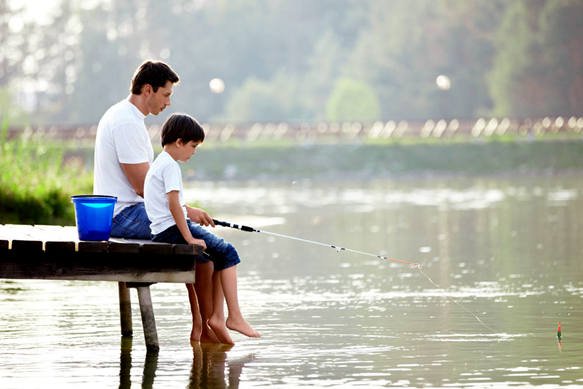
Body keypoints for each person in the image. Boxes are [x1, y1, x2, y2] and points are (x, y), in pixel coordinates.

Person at [93, 60, 217, 343]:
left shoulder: (125, 116)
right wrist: (185, 212)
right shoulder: (126, 121)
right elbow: (142, 187)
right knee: (200, 242)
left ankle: (202, 323)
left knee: (194, 237)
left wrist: (184, 213)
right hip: (122, 215)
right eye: (166, 94)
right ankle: (204, 326)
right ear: (148, 89)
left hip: (126, 210)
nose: (169, 102)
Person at [144, 113, 260, 344]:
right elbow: (174, 204)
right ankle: (233, 316)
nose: (194, 152)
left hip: (163, 229)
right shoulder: (170, 166)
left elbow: (173, 206)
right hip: (172, 230)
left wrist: (192, 221)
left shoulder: (160, 163)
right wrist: (188, 237)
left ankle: (217, 318)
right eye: (193, 146)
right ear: (178, 142)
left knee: (218, 256)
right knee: (229, 252)